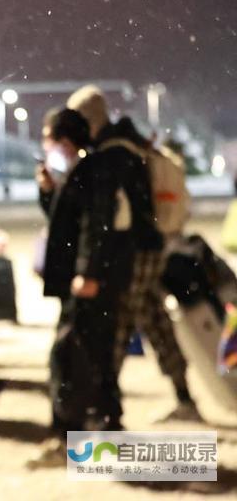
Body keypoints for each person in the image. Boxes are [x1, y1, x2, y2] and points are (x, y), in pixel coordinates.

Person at [67, 85, 199, 422]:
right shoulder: (129, 145)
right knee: (154, 321)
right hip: (151, 247)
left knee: (119, 325)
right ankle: (184, 396)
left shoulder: (113, 154)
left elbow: (112, 217)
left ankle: (106, 408)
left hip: (137, 252)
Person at [28, 107, 134, 468]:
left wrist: (88, 272)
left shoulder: (93, 169)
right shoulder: (81, 169)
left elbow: (96, 223)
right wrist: (48, 191)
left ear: (65, 141)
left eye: (48, 138)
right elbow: (66, 219)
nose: (46, 146)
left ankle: (71, 434)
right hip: (84, 281)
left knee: (72, 356)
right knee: (92, 353)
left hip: (90, 283)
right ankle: (102, 427)